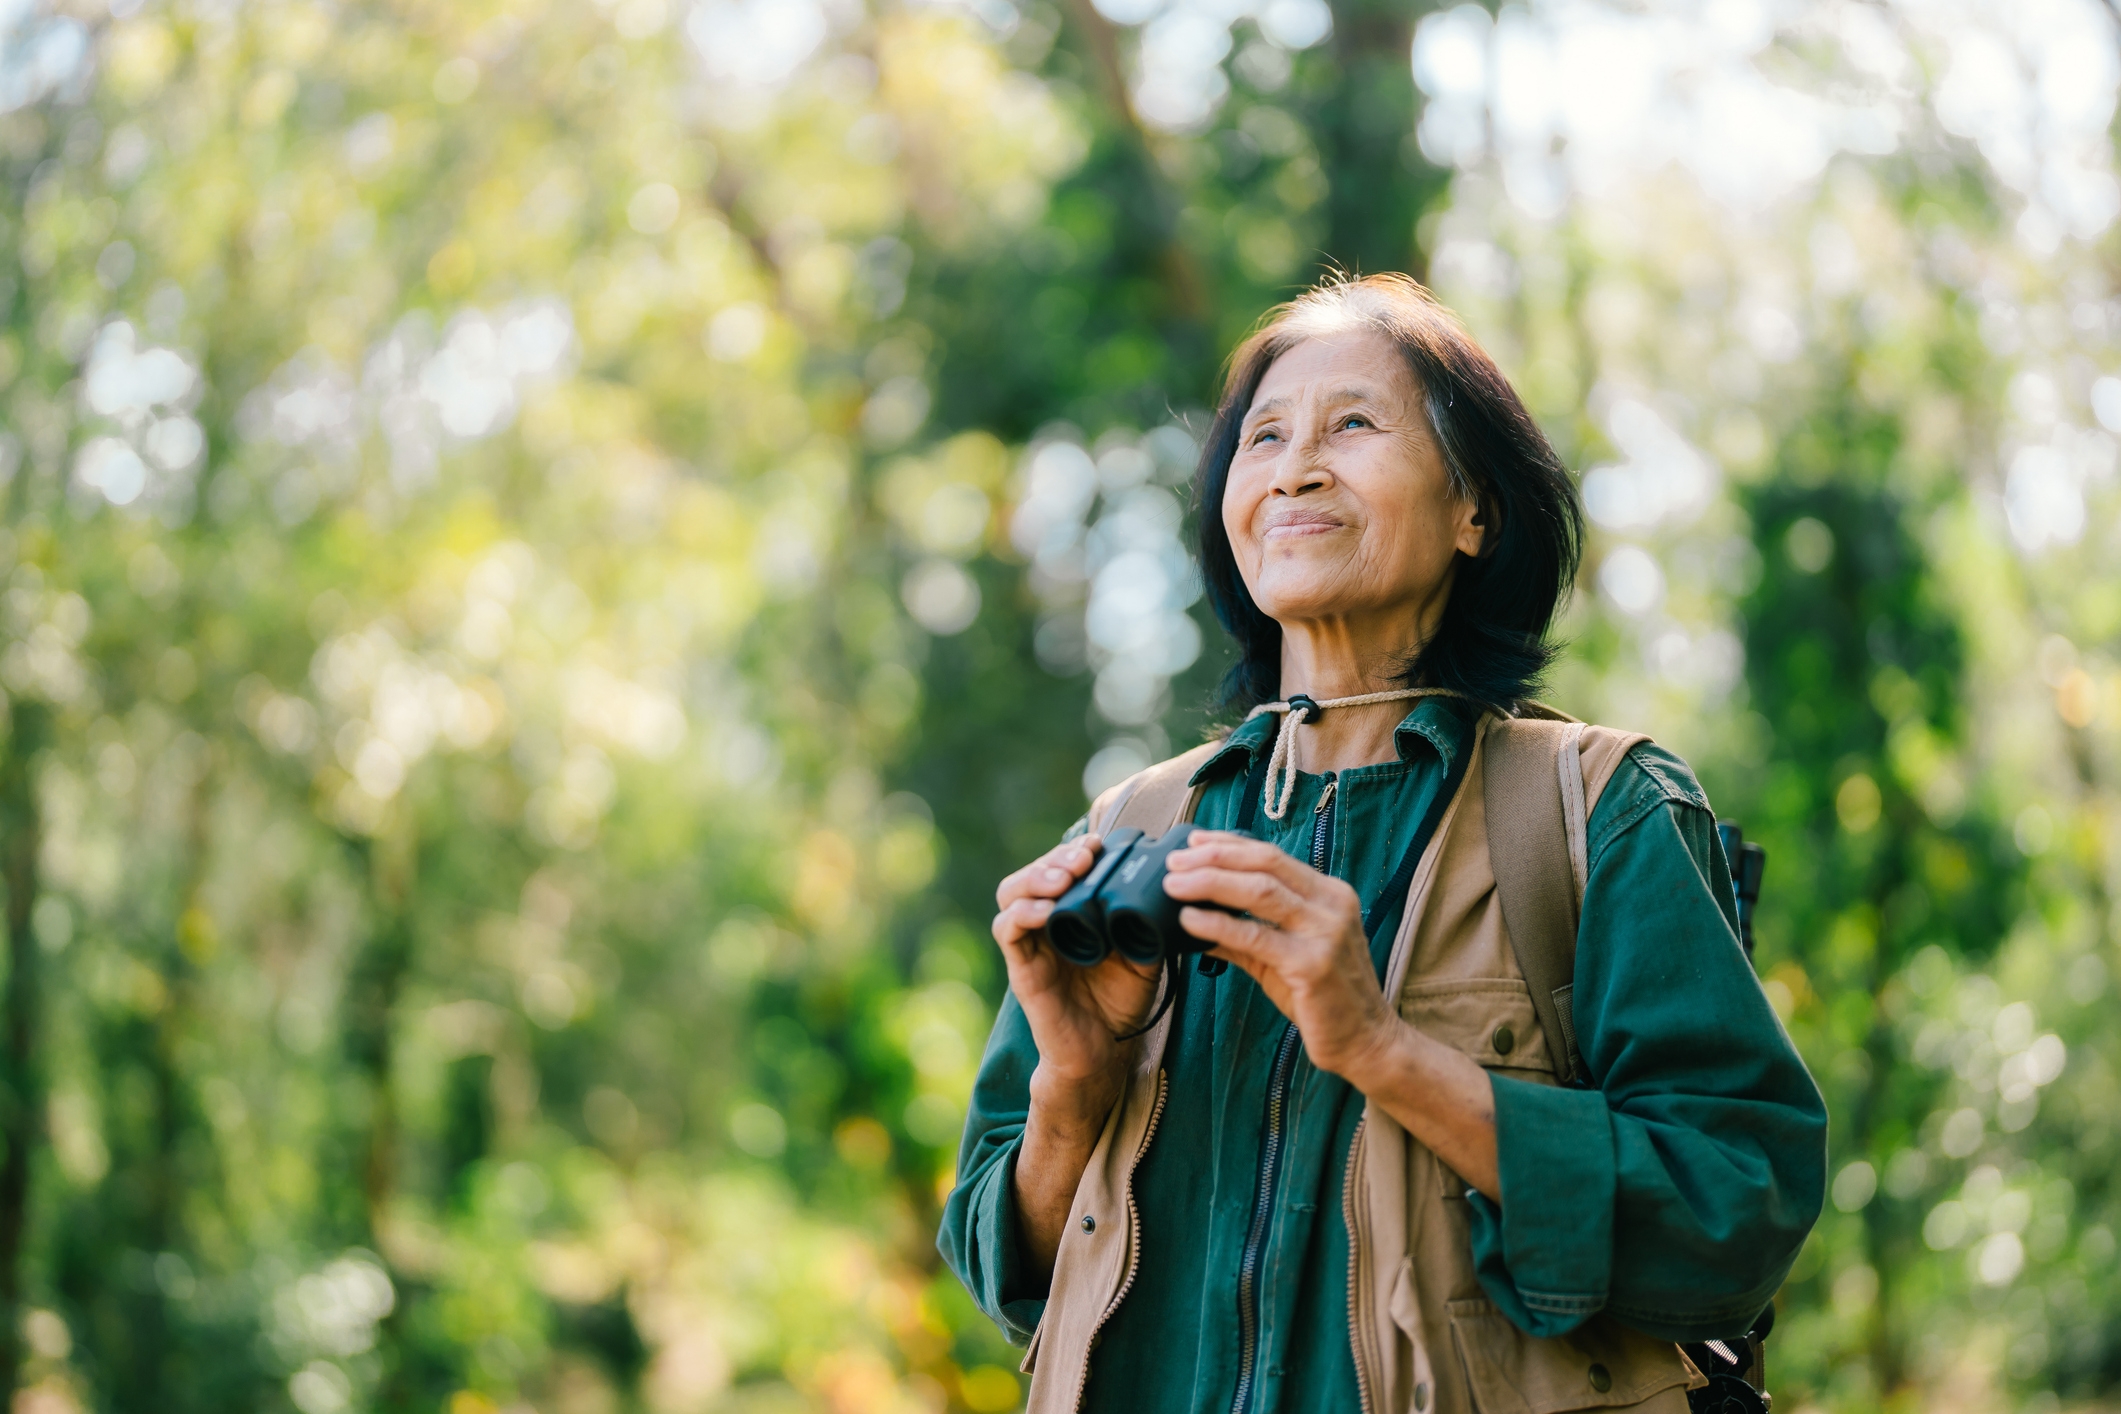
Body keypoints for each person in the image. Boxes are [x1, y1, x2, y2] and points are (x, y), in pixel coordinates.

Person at [938, 274, 1826, 1414]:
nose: (1295, 467)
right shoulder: (1127, 837)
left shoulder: (1598, 810)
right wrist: (1076, 1078)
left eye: (1352, 423)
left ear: (1478, 512)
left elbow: (1733, 1214)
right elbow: (1011, 1273)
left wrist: (1381, 1048)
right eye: (1263, 438)